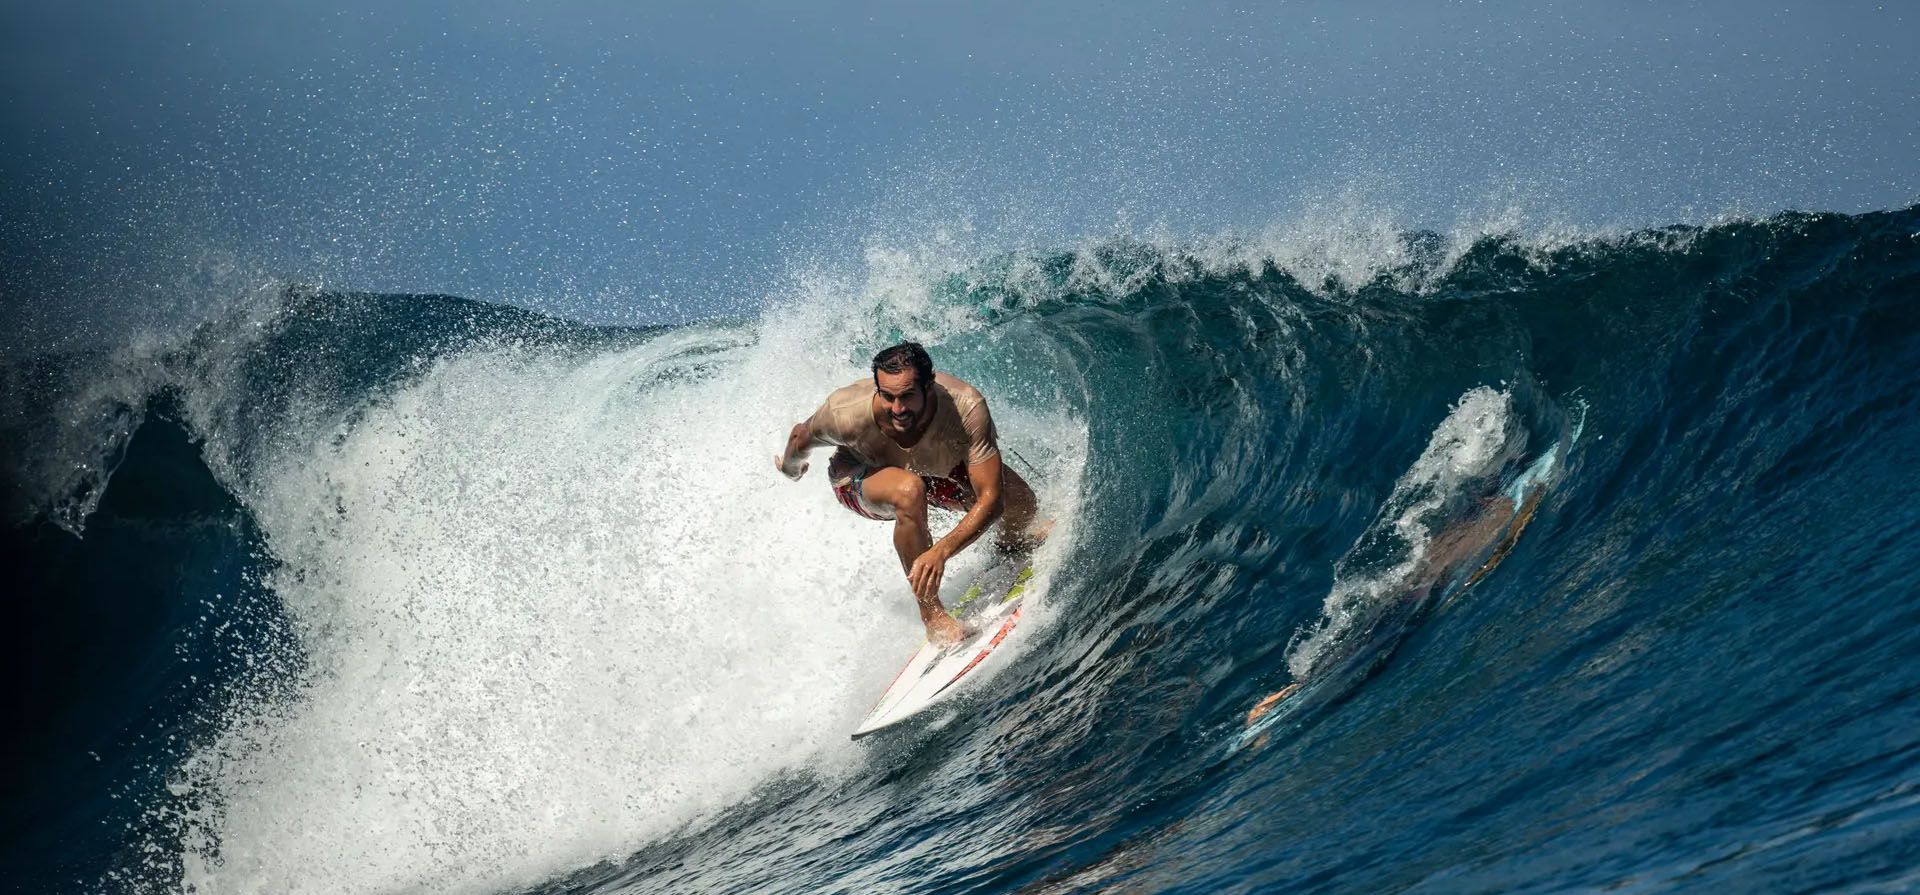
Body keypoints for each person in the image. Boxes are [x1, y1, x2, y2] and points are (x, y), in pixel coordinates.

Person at [775, 342, 1046, 646]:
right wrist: (790, 469)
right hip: (859, 475)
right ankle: (932, 616)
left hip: (931, 471)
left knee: (1021, 503)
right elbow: (801, 437)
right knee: (908, 491)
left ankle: (1009, 547)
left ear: (929, 385)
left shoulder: (965, 407)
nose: (898, 409)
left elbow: (991, 499)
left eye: (907, 396)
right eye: (887, 396)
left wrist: (941, 550)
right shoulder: (845, 413)